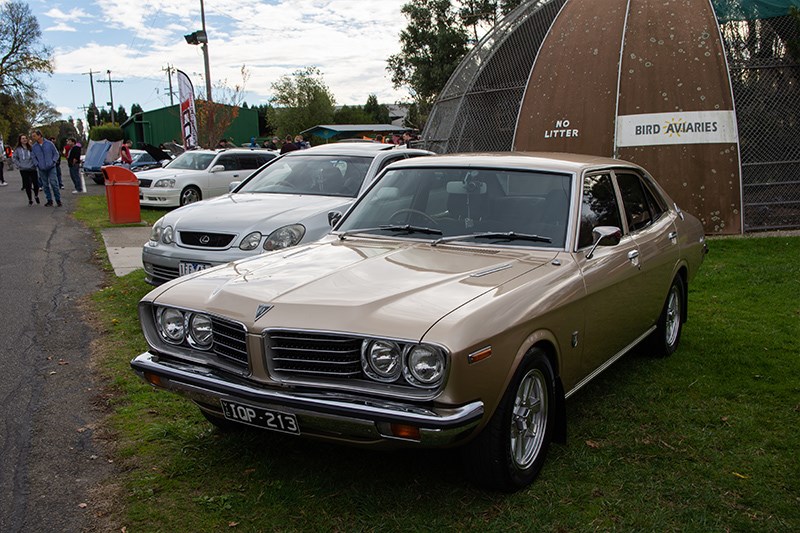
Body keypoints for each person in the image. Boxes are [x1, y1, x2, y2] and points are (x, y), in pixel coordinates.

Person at [31, 130, 62, 207]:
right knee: (45, 185)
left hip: (51, 167)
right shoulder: (34, 147)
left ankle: (58, 200)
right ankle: (49, 200)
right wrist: (37, 164)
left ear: (39, 135)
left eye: (34, 136)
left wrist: (53, 161)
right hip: (41, 168)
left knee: (54, 183)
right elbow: (33, 157)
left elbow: (56, 153)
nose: (33, 137)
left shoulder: (49, 144)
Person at [13, 134, 40, 205]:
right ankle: (30, 199)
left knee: (36, 184)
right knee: (27, 185)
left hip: (32, 168)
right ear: (20, 140)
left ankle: (36, 195)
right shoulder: (18, 149)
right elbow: (15, 158)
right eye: (23, 138)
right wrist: (19, 165)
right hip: (24, 169)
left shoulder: (31, 148)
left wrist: (36, 163)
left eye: (25, 138)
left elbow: (36, 156)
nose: (24, 140)